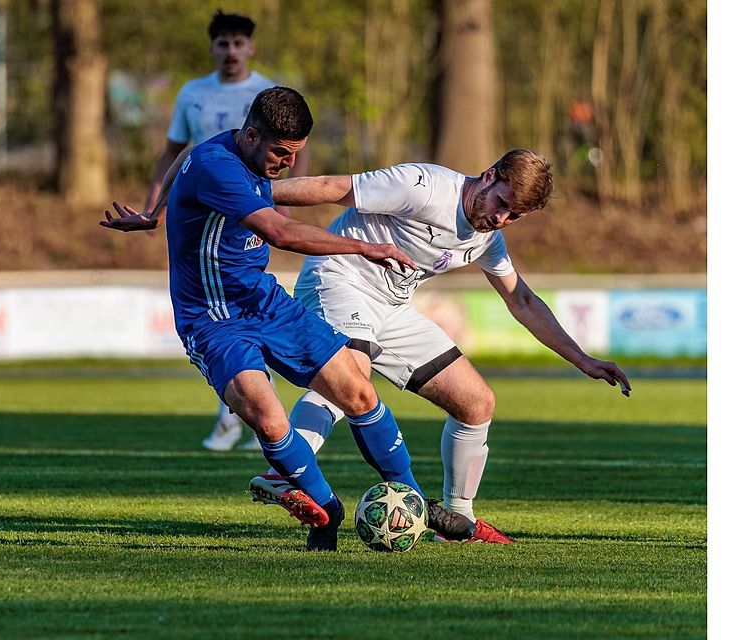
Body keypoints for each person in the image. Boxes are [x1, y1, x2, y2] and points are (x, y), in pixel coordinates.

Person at [101, 87, 495, 550]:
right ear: (251, 136)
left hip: (265, 302)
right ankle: (327, 512)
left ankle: (413, 501)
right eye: (281, 152)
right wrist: (369, 247)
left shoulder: (224, 149)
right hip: (212, 321)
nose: (288, 164)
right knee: (268, 420)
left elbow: (182, 156)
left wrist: (155, 213)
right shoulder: (218, 168)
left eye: (296, 153)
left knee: (358, 391)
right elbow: (281, 232)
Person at [246, 150, 632, 543]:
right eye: (501, 203)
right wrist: (246, 195)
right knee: (351, 377)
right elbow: (333, 187)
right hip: (339, 279)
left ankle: (455, 521)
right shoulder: (425, 187)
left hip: (392, 307)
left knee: (476, 402)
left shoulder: (486, 239)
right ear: (488, 175)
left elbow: (523, 301)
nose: (501, 218)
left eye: (513, 215)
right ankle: (283, 475)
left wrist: (581, 359)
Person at [145, 10, 308, 453]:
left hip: (249, 217)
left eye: (239, 43)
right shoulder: (192, 94)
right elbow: (179, 153)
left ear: (250, 48)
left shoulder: (267, 93)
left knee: (244, 305)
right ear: (212, 48)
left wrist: (282, 211)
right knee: (217, 313)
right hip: (202, 218)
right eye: (223, 43)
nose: (231, 51)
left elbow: (295, 154)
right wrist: (155, 206)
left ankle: (257, 416)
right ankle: (239, 418)